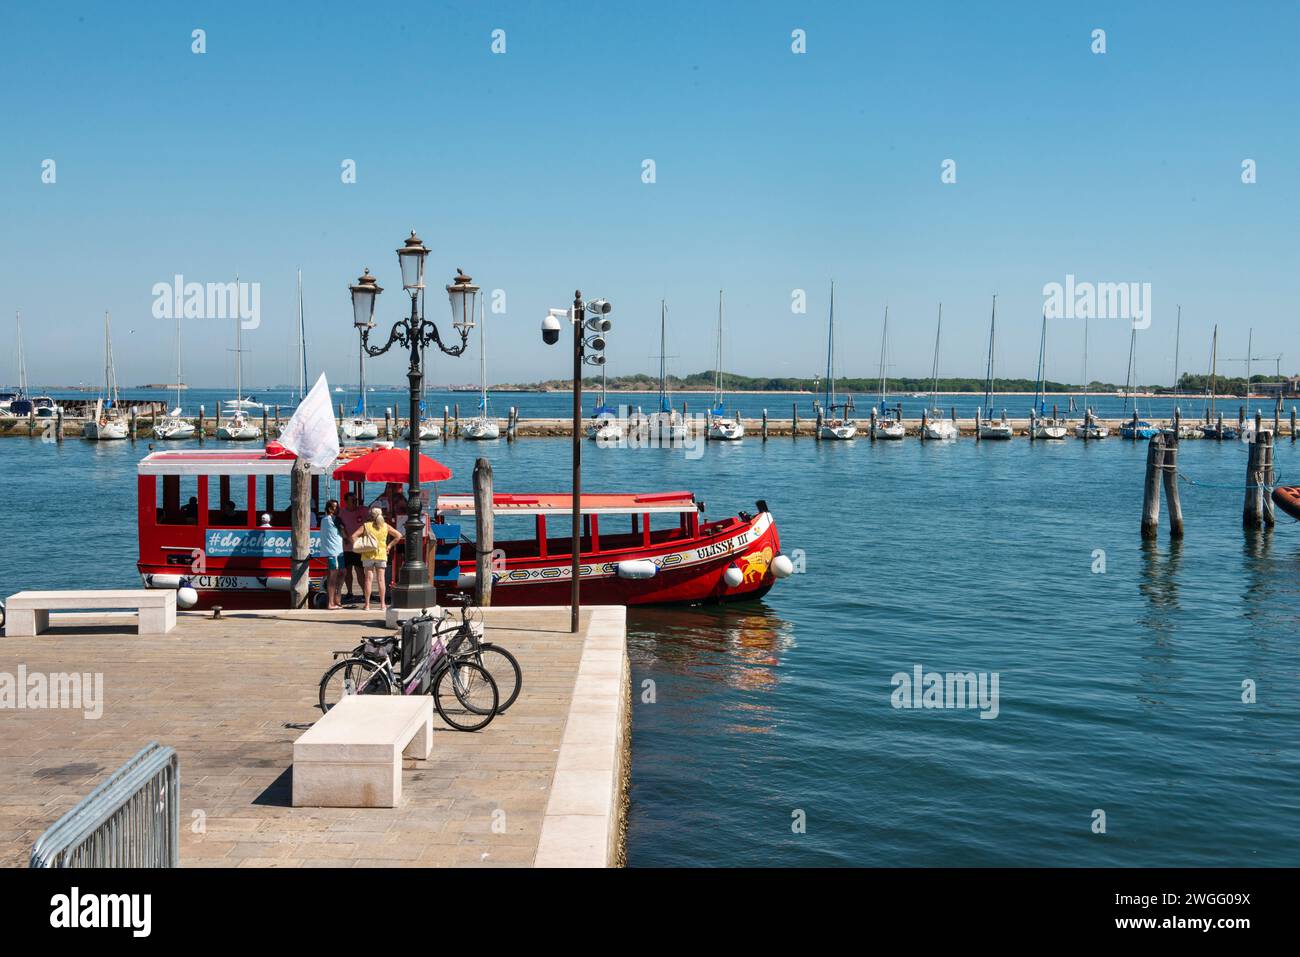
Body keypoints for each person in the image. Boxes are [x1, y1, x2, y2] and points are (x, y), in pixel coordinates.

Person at [348, 506, 403, 612]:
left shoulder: (366, 526)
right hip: (381, 555)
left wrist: (361, 544)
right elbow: (398, 535)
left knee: (368, 580)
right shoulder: (385, 526)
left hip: (368, 555)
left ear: (370, 515)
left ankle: (367, 605)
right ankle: (382, 605)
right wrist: (389, 546)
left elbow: (353, 536)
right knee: (381, 580)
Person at [338, 491, 368, 602]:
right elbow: (338, 527)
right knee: (347, 571)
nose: (355, 502)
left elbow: (373, 516)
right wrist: (345, 537)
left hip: (359, 547)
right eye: (353, 500)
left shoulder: (363, 510)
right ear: (346, 502)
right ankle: (350, 592)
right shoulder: (341, 513)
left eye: (356, 500)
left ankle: (366, 593)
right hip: (346, 547)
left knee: (360, 571)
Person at [318, 499, 346, 609]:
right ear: (330, 509)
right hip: (334, 551)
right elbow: (344, 533)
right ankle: (331, 602)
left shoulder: (324, 520)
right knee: (333, 576)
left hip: (338, 551)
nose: (338, 509)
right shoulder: (334, 519)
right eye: (336, 507)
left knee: (342, 572)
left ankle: (336, 598)